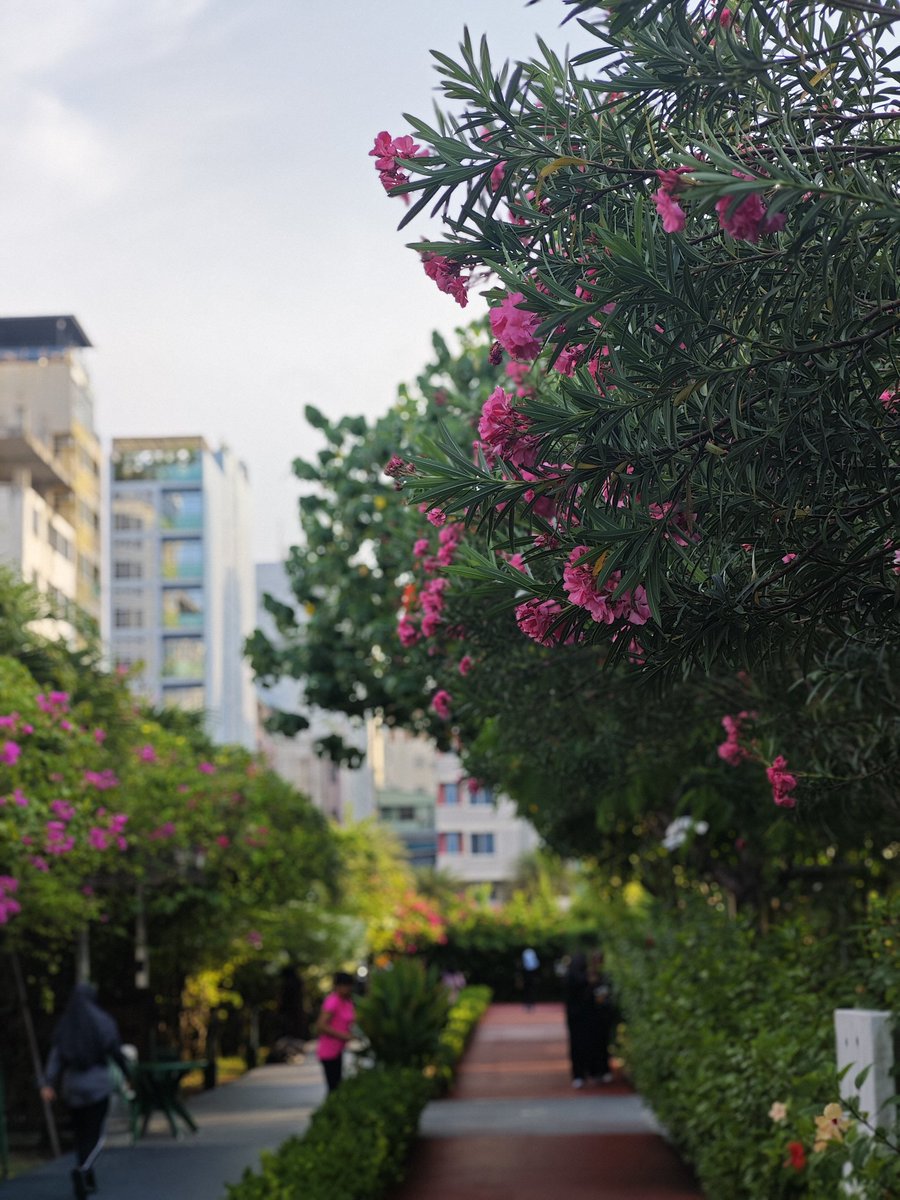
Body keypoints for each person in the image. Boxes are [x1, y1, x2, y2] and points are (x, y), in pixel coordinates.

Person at [40, 982, 132, 1200]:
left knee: (82, 1133)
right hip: (97, 1084)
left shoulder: (66, 1024)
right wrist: (127, 1075)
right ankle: (83, 1170)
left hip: (72, 1086)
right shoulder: (102, 1022)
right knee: (97, 1134)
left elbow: (55, 1058)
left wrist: (47, 1083)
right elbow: (116, 1052)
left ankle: (87, 1175)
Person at [563, 952, 606, 1088]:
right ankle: (591, 1072)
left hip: (577, 1017)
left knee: (578, 1046)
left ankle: (580, 1074)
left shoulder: (572, 977)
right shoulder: (585, 979)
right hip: (585, 1017)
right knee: (589, 1045)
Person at [315, 970, 355, 1094]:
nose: (348, 989)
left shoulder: (346, 1001)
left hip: (339, 1049)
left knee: (338, 1086)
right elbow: (321, 1025)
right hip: (329, 1051)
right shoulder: (333, 1001)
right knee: (334, 1087)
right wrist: (343, 1036)